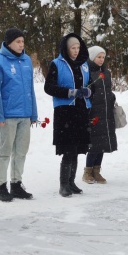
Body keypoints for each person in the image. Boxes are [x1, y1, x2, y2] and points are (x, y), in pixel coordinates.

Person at [0, 28, 38, 201]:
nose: (21, 45)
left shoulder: (26, 60)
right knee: (4, 151)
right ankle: (0, 186)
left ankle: (16, 184)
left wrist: (33, 113)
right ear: (9, 42)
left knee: (21, 151)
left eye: (23, 41)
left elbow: (30, 89)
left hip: (24, 115)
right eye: (18, 41)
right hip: (8, 115)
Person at [44, 33, 92, 197]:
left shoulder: (84, 64)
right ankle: (63, 184)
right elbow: (49, 87)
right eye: (73, 48)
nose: (76, 51)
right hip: (65, 112)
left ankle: (72, 182)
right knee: (68, 149)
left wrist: (89, 91)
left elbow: (91, 84)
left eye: (78, 47)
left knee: (77, 148)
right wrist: (70, 92)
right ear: (66, 48)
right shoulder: (57, 64)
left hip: (81, 110)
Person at [83, 46, 117, 185]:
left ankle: (97, 170)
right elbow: (87, 92)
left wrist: (111, 97)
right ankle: (88, 171)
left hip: (106, 111)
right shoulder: (87, 72)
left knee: (103, 142)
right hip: (94, 111)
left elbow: (107, 89)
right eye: (99, 57)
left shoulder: (106, 72)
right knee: (94, 143)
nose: (101, 60)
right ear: (92, 57)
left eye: (103, 57)